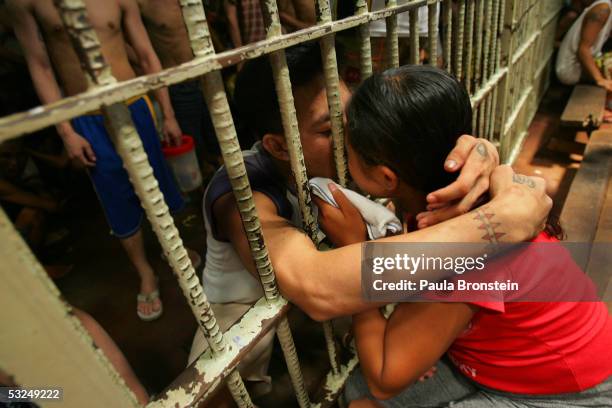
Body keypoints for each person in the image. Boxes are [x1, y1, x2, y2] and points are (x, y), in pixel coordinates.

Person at [187, 42, 552, 380]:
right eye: (331, 130)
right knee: (219, 375)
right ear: (279, 147)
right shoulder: (241, 195)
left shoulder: (341, 161)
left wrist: (474, 150)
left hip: (330, 289)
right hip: (248, 303)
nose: (354, 139)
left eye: (351, 119)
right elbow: (314, 284)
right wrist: (498, 223)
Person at [313, 64, 612, 407]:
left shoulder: (467, 250)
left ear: (386, 179)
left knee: (366, 398)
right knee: (356, 391)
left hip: (568, 391)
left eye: (345, 144)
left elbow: (385, 378)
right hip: (517, 358)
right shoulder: (446, 200)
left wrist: (356, 251)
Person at [8, 0, 196, 321]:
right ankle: (144, 272)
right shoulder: (27, 3)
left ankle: (171, 247)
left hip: (136, 102)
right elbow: (39, 65)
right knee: (115, 195)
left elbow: (147, 54)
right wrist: (66, 131)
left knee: (158, 181)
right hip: (86, 113)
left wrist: (168, 114)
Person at [136, 0, 221, 168]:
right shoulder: (142, 4)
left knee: (221, 142)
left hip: (209, 77)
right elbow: (133, 47)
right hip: (179, 85)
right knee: (194, 156)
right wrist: (152, 67)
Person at [556, 0, 612, 90]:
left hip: (584, 66)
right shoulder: (602, 10)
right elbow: (583, 49)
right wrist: (600, 80)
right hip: (571, 70)